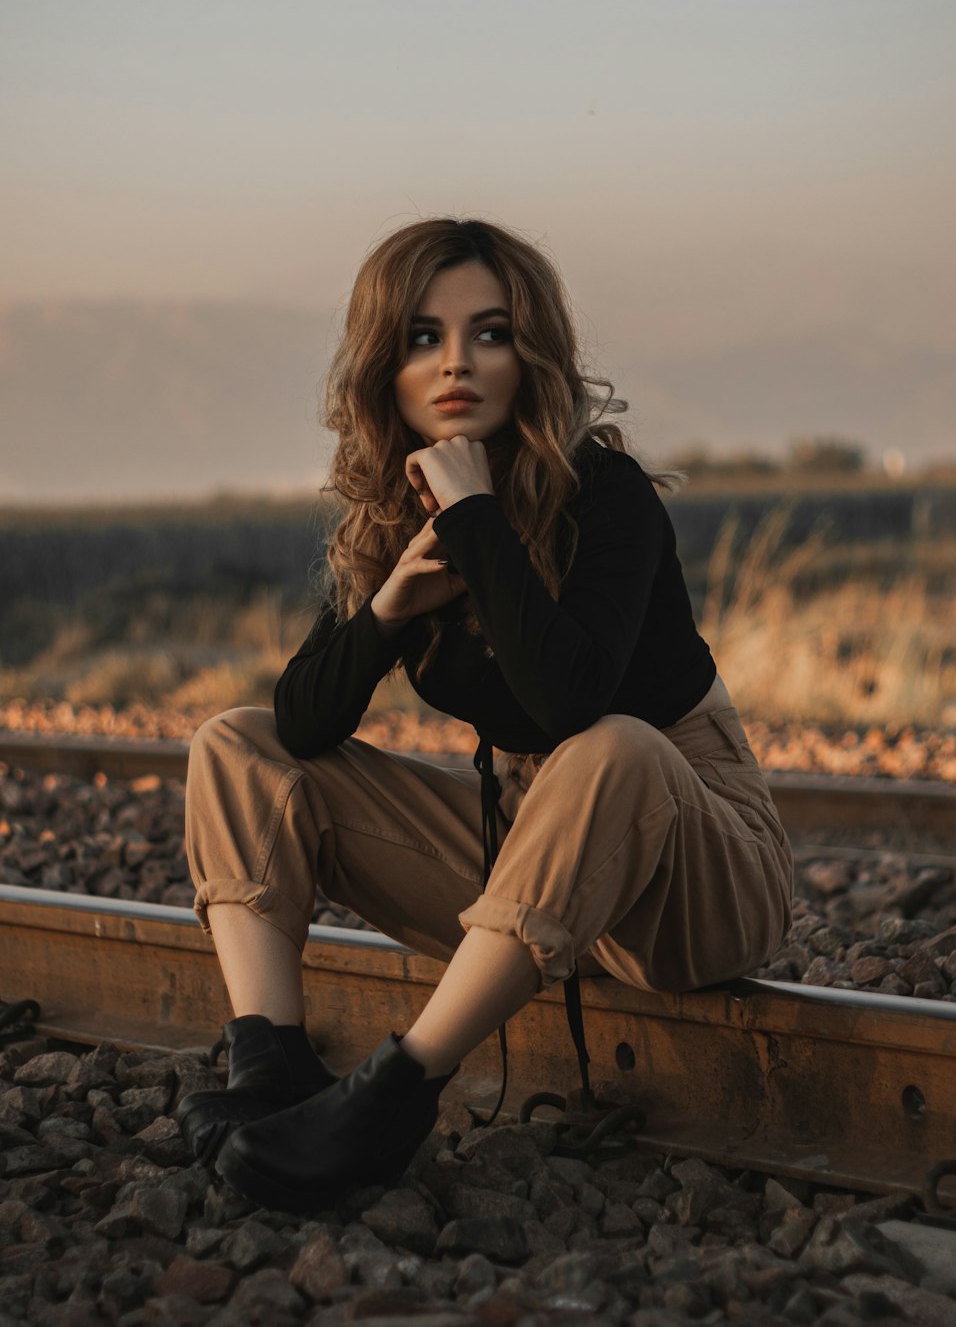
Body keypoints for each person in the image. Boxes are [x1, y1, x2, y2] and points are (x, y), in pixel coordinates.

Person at [179, 217, 793, 1214]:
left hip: (695, 868)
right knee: (233, 744)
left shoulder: (608, 495)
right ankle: (273, 1077)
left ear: (530, 352)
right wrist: (387, 609)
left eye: (489, 332)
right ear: (387, 364)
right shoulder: (388, 519)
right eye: (423, 336)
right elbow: (299, 726)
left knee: (610, 747)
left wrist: (476, 519)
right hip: (534, 864)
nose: (455, 361)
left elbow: (569, 700)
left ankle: (393, 1097)